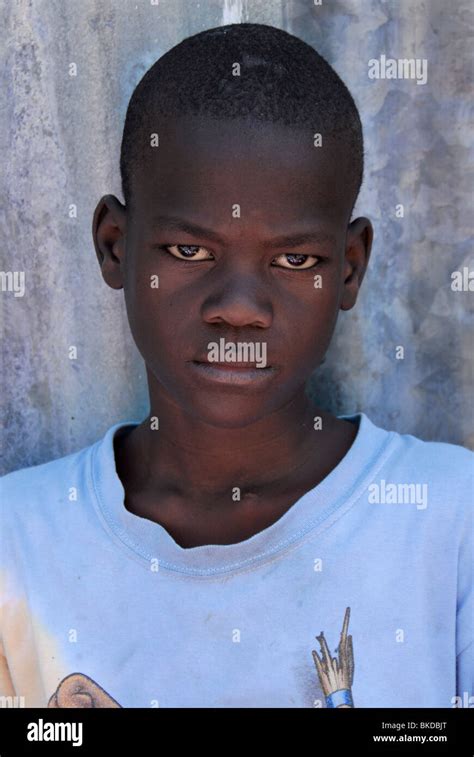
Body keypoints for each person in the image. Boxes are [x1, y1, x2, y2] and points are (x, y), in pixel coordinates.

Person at [1, 23, 472, 709]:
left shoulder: (449, 523)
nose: (240, 309)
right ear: (114, 246)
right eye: (190, 253)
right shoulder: (18, 543)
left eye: (295, 260)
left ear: (349, 268)